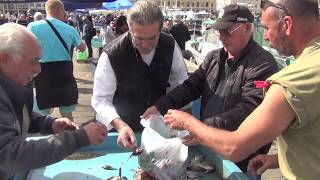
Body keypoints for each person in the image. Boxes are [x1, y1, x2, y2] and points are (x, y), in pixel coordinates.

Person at [162, 0, 320, 179]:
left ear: (287, 24)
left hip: (239, 159)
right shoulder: (214, 58)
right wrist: (279, 159)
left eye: (266, 28)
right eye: (219, 32)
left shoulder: (288, 79)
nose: (265, 36)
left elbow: (235, 146)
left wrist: (189, 123)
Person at [143, 4, 278, 173]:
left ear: (247, 27)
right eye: (219, 31)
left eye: (227, 31)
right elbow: (190, 87)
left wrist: (198, 128)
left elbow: (248, 110)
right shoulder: (214, 58)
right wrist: (159, 107)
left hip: (243, 160)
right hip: (209, 149)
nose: (222, 37)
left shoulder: (263, 65)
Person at [0, 23, 107, 180]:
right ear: (4, 57)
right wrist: (79, 138)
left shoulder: (16, 81)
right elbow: (9, 155)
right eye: (33, 61)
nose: (38, 69)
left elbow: (17, 117)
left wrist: (48, 123)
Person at [91, 0, 188, 150]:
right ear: (129, 30)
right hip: (121, 130)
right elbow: (101, 99)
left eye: (153, 38)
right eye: (139, 39)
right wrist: (120, 125)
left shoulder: (170, 45)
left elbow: (180, 85)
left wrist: (179, 119)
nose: (146, 45)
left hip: (158, 130)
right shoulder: (112, 54)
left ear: (160, 30)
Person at [27, 0, 86, 122]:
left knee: (42, 115)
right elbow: (82, 48)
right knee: (67, 114)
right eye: (64, 12)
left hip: (43, 75)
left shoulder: (33, 27)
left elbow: (25, 48)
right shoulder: (69, 29)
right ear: (59, 10)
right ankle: (71, 138)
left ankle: (44, 138)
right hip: (64, 74)